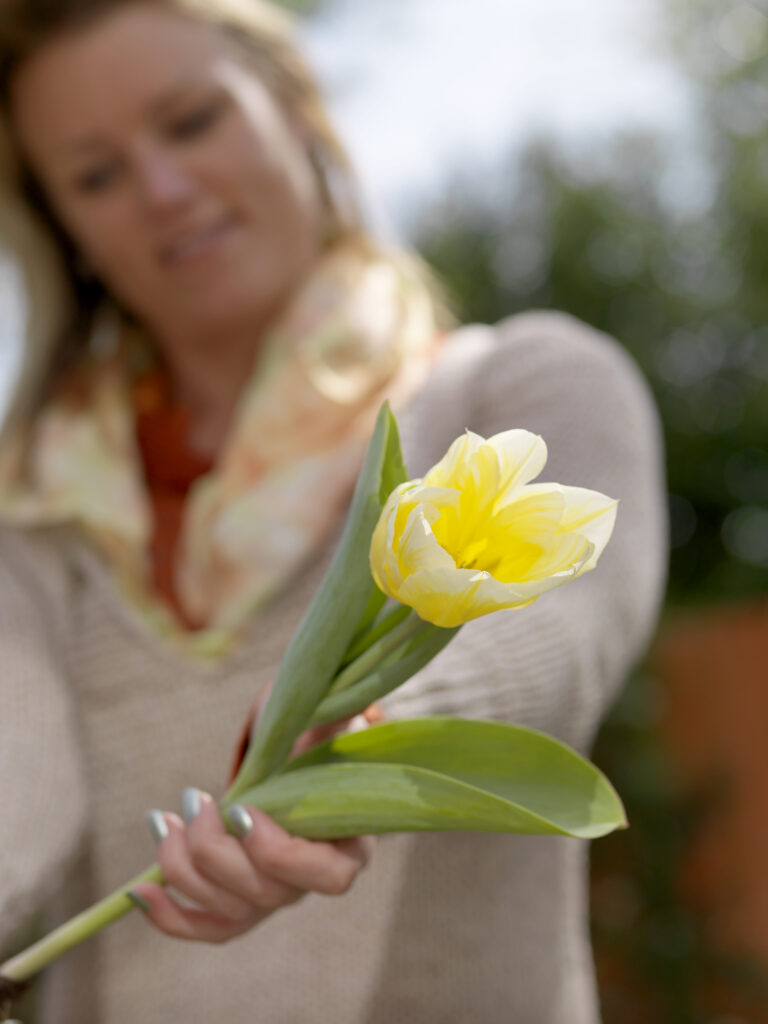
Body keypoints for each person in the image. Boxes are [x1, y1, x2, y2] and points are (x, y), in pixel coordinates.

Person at [0, 1, 667, 1022]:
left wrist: (362, 738)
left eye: (190, 122)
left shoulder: (519, 388)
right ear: (65, 227)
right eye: (96, 174)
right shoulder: (36, 511)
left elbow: (563, 626)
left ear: (296, 110)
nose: (165, 191)